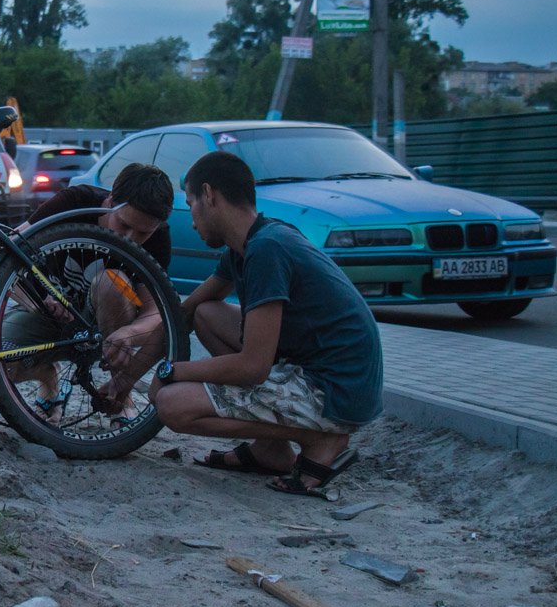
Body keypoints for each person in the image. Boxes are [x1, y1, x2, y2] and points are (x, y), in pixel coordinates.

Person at [128, 151, 383, 498]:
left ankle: (321, 439)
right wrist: (124, 379)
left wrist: (173, 371)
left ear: (209, 195)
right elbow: (186, 313)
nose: (192, 221)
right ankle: (271, 450)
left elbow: (253, 367)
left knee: (173, 403)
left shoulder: (266, 250)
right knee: (207, 314)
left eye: (190, 204)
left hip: (335, 390)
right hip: (322, 370)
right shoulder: (250, 244)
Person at [0, 162, 175, 424]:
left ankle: (122, 396)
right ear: (110, 200)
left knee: (110, 282)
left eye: (143, 232)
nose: (130, 238)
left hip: (106, 323)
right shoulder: (74, 203)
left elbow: (156, 313)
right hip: (45, 314)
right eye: (123, 224)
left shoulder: (159, 238)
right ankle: (48, 380)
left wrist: (130, 333)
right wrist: (37, 302)